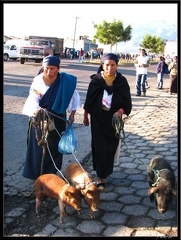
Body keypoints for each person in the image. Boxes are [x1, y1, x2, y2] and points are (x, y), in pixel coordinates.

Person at [22, 55, 81, 180]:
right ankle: (37, 179)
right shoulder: (38, 80)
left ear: (58, 68)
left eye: (52, 68)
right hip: (39, 119)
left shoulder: (65, 81)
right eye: (46, 68)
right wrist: (38, 110)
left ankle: (51, 176)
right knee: (38, 148)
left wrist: (72, 115)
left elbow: (74, 97)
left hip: (58, 119)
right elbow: (32, 99)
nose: (48, 72)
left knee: (54, 149)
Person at [83, 53, 132, 190]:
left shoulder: (121, 82)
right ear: (102, 65)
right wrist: (86, 116)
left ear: (117, 65)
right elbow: (89, 101)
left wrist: (120, 112)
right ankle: (100, 178)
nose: (110, 68)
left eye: (113, 65)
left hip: (113, 119)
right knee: (99, 147)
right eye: (107, 65)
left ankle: (106, 170)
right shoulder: (96, 81)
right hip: (98, 118)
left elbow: (127, 102)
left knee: (111, 146)